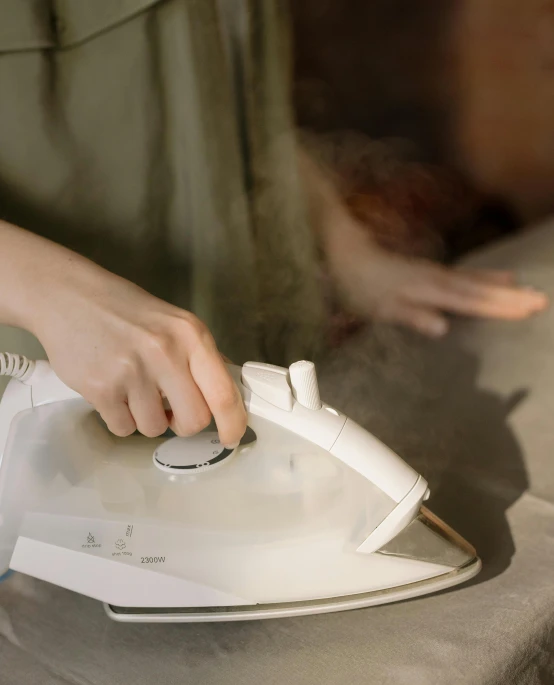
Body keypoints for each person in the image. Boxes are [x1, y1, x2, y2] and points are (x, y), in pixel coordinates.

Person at [0, 0, 547, 448]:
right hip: (54, 406)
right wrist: (56, 294)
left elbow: (236, 108)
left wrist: (346, 252)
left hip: (255, 347)